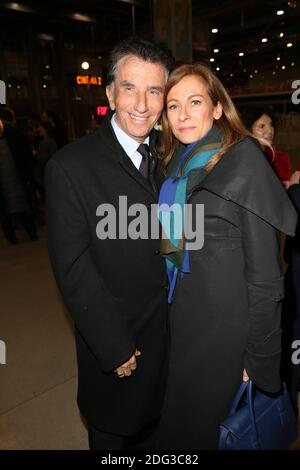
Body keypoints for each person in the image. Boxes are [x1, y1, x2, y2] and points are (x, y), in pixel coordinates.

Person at [156, 64, 297, 449]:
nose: (183, 114)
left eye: (195, 102)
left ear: (217, 108)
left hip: (228, 341)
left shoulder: (243, 163)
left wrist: (259, 357)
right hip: (184, 327)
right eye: (173, 105)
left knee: (216, 433)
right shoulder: (176, 167)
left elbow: (267, 277)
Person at [45, 37, 174, 450]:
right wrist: (114, 347)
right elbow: (73, 268)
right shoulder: (70, 166)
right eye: (130, 87)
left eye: (154, 90)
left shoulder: (171, 157)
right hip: (121, 353)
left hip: (172, 350)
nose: (142, 103)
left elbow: (180, 241)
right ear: (109, 92)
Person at [0, 117, 37, 244]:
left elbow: (24, 154)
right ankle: (19, 235)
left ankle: (28, 233)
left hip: (16, 178)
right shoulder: (13, 134)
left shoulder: (13, 134)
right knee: (11, 210)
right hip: (12, 179)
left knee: (21, 208)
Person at [241, 107, 292, 183]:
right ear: (248, 131)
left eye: (271, 125)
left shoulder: (278, 158)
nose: (270, 131)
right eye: (262, 126)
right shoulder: (243, 159)